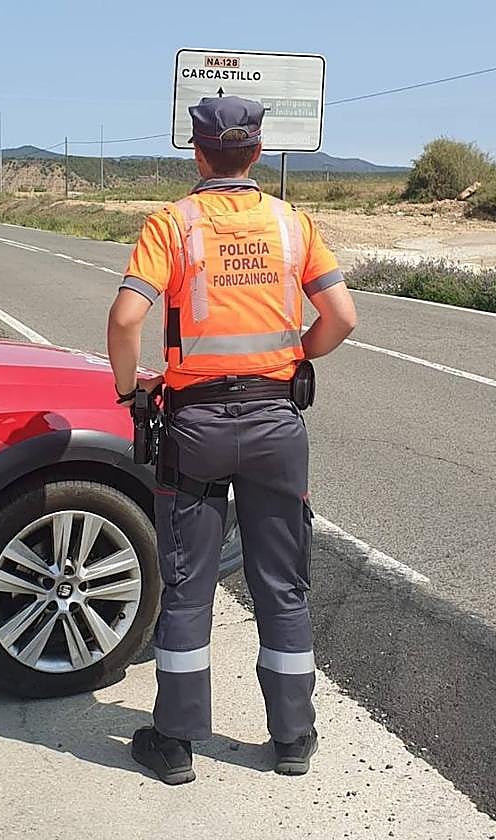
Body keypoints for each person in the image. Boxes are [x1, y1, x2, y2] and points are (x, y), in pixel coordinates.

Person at [106, 95, 357, 785]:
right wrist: (293, 358)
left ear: (198, 151)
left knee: (187, 586)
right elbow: (342, 316)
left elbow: (126, 319)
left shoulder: (173, 224)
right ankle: (293, 738)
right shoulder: (291, 223)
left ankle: (177, 742)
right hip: (278, 425)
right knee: (284, 584)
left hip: (197, 426)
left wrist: (132, 391)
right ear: (254, 151)